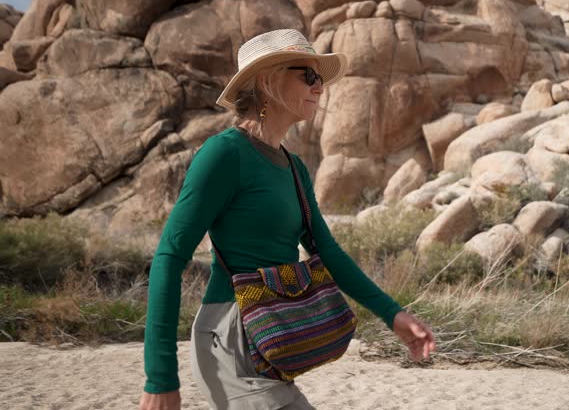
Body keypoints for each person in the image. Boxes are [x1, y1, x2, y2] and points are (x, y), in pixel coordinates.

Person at [138, 29, 436, 410]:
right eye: (308, 75)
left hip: (271, 339)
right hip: (230, 342)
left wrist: (393, 315)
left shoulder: (294, 168)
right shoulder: (224, 155)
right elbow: (169, 257)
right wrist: (160, 376)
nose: (319, 87)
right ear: (267, 81)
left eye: (320, 78)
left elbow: (327, 251)